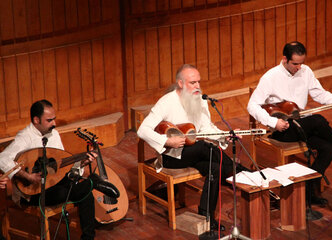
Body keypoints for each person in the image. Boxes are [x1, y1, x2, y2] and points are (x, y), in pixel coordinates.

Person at [137, 64, 248, 231]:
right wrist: (167, 141)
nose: (198, 86)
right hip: (171, 156)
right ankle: (243, 173)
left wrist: (225, 135)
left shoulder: (200, 100)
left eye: (198, 82)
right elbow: (142, 130)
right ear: (180, 83)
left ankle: (206, 217)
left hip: (194, 152)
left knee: (214, 167)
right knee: (206, 148)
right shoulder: (167, 101)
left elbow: (206, 129)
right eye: (193, 83)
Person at [247, 41, 332, 205]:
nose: (299, 67)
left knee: (328, 148)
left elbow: (320, 94)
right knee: (319, 120)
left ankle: (309, 191)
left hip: (302, 126)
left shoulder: (305, 71)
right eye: (295, 64)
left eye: (302, 63)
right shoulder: (270, 77)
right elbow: (252, 105)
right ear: (285, 59)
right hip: (282, 130)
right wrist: (273, 121)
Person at [0, 99, 119, 240]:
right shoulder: (25, 138)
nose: (54, 124)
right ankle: (93, 181)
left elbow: (62, 166)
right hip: (32, 193)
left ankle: (88, 238)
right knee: (71, 190)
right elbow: (2, 159)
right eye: (49, 120)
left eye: (54, 119)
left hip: (55, 183)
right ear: (36, 120)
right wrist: (27, 176)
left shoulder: (54, 134)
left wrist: (82, 163)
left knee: (85, 193)